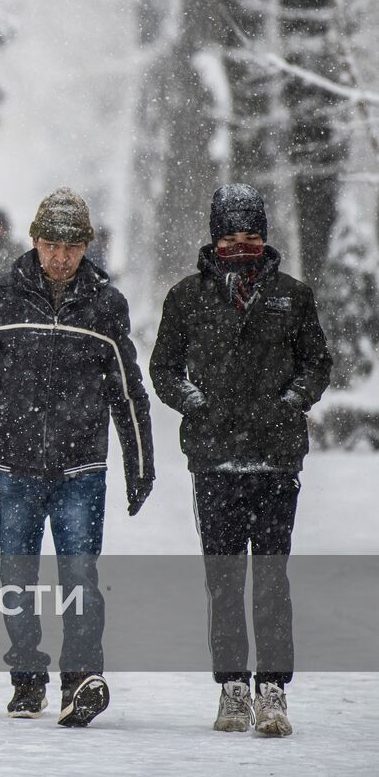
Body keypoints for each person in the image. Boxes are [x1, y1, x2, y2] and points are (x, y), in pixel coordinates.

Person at [0, 187, 154, 727]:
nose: (60, 256)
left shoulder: (105, 304)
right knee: (16, 577)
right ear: (34, 241)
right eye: (51, 244)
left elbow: (127, 389)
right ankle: (27, 675)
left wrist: (139, 463)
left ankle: (80, 678)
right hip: (13, 465)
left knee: (80, 574)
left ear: (86, 247)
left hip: (81, 466)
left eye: (71, 246)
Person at [149, 183, 331, 738]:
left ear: (265, 236)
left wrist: (290, 403)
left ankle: (273, 688)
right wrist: (194, 403)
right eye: (230, 235)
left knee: (272, 580)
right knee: (224, 581)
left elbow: (316, 365)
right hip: (214, 462)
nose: (241, 244)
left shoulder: (292, 297)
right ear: (213, 237)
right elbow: (162, 370)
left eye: (251, 234)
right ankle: (232, 687)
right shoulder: (185, 298)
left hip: (276, 462)